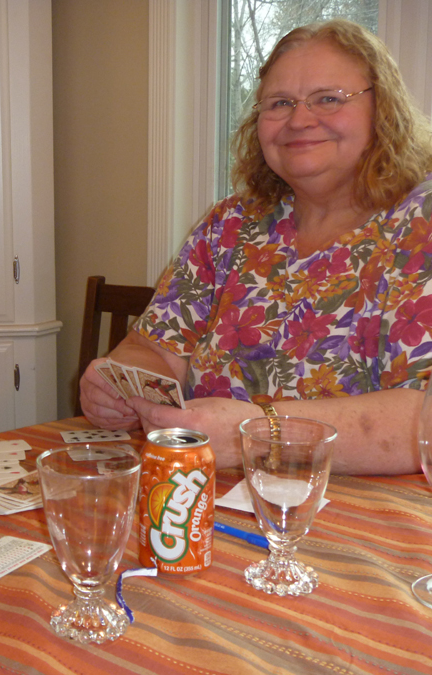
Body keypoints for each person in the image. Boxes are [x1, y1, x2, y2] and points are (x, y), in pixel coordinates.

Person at [80, 19, 432, 475]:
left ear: (383, 109)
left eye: (328, 98)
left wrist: (259, 434)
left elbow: (423, 420)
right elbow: (153, 349)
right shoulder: (229, 224)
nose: (299, 120)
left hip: (373, 509)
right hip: (210, 495)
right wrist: (120, 386)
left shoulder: (421, 223)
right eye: (280, 103)